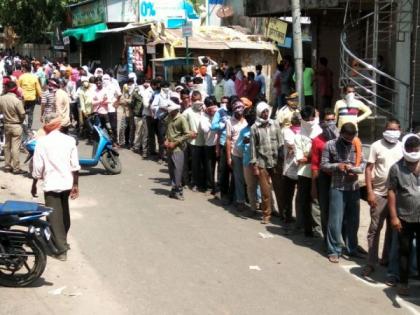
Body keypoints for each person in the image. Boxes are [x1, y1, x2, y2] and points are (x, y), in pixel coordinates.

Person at [31, 113, 80, 261]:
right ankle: (61, 240)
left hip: (51, 183)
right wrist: (76, 184)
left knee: (54, 216)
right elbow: (75, 165)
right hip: (66, 182)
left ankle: (61, 249)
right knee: (64, 212)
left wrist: (34, 184)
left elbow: (37, 168)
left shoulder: (42, 142)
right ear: (59, 125)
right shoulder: (70, 140)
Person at [362, 119, 403, 277]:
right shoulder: (376, 146)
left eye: (395, 129)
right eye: (390, 129)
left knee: (393, 230)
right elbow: (368, 169)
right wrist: (370, 192)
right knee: (374, 229)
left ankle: (386, 259)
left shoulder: (402, 147)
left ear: (400, 130)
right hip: (379, 194)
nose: (392, 132)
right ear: (384, 130)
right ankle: (370, 263)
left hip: (397, 195)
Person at [321, 122, 366, 263]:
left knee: (353, 221)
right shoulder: (330, 145)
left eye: (352, 138)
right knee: (335, 221)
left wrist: (356, 170)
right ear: (341, 134)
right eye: (347, 138)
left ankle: (352, 248)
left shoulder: (357, 144)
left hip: (353, 187)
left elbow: (363, 162)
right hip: (338, 187)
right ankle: (334, 250)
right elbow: (323, 165)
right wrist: (337, 166)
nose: (349, 141)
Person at [388, 134, 420, 296]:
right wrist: (394, 216)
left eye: (416, 149)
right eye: (411, 149)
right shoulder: (396, 168)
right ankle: (403, 282)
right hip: (404, 217)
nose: (414, 152)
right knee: (404, 251)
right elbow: (392, 192)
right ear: (405, 149)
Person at [250, 101, 283, 224]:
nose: (265, 114)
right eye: (263, 112)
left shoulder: (275, 124)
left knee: (279, 189)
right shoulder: (254, 128)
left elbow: (281, 143)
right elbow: (253, 147)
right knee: (265, 191)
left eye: (266, 111)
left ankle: (283, 214)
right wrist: (255, 165)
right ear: (259, 113)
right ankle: (266, 215)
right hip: (262, 162)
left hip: (275, 162)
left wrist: (281, 161)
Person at [311, 108, 338, 241]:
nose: (331, 123)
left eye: (333, 120)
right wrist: (314, 186)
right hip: (324, 178)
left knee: (338, 211)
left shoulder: (341, 138)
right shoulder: (317, 141)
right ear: (322, 122)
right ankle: (328, 240)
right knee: (325, 209)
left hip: (339, 178)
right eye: (328, 120)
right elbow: (315, 165)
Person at [164, 101, 193, 200]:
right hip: (169, 148)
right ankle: (173, 189)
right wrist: (166, 140)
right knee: (171, 170)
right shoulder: (168, 118)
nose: (170, 112)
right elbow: (168, 131)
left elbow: (187, 134)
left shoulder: (181, 119)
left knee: (177, 170)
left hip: (178, 148)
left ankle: (178, 191)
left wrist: (175, 142)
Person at [0, 80, 25, 174]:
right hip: (16, 125)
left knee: (7, 146)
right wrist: (21, 121)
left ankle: (7, 166)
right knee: (15, 147)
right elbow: (22, 114)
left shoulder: (2, 98)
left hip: (6, 124)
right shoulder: (17, 101)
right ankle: (16, 168)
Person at [237, 106, 259, 214]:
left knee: (265, 186)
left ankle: (268, 209)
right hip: (247, 162)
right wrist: (244, 142)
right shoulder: (243, 131)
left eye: (252, 118)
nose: (251, 120)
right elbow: (238, 147)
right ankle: (253, 207)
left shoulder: (260, 128)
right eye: (248, 118)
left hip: (260, 162)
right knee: (251, 186)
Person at [183, 91, 205, 191]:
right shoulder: (187, 112)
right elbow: (181, 125)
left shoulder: (205, 110)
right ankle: (194, 182)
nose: (197, 102)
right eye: (195, 100)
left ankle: (203, 183)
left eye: (199, 100)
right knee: (195, 164)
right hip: (193, 142)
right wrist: (189, 133)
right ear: (191, 100)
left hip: (206, 142)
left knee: (203, 164)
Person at [282, 112, 301, 223]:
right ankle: (287, 217)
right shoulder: (287, 131)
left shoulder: (305, 131)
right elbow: (291, 145)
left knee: (300, 197)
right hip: (289, 167)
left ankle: (299, 219)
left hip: (301, 168)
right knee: (288, 195)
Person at [199, 97, 218, 194]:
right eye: (209, 106)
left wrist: (216, 115)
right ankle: (211, 186)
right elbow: (205, 129)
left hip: (219, 144)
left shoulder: (219, 112)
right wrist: (213, 121)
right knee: (210, 167)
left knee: (218, 167)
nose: (212, 109)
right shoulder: (203, 116)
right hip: (209, 144)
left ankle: (218, 186)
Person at [17, 63, 42, 130]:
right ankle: (29, 128)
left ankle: (23, 127)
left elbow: (18, 88)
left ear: (25, 69)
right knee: (31, 113)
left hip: (23, 98)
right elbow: (38, 89)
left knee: (22, 113)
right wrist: (41, 97)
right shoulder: (34, 77)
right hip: (32, 98)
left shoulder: (21, 77)